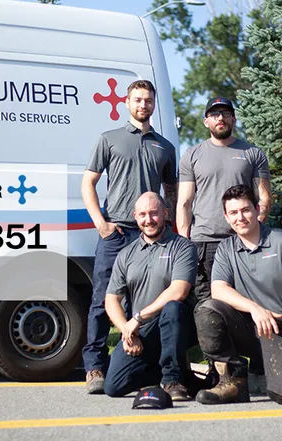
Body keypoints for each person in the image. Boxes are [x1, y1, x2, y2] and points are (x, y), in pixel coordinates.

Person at [194, 185, 282, 405]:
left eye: (245, 210)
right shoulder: (226, 248)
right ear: (226, 217)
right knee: (207, 311)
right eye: (233, 212)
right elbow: (219, 289)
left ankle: (279, 362)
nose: (240, 217)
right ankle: (234, 381)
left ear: (257, 209)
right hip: (250, 327)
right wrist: (254, 308)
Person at [81, 79, 179, 393]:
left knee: (153, 300)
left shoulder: (165, 147)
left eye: (148, 100)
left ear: (153, 104)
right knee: (102, 300)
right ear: (127, 102)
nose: (143, 105)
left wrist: (172, 222)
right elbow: (88, 182)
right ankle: (95, 367)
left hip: (151, 234)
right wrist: (101, 223)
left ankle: (150, 363)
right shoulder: (109, 139)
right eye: (137, 100)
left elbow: (171, 190)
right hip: (117, 232)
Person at [176, 97, 272, 391]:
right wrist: (185, 243)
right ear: (206, 120)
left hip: (242, 242)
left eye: (226, 113)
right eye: (215, 114)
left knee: (249, 300)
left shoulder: (252, 153)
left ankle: (261, 363)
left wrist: (254, 231)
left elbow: (264, 198)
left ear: (233, 119)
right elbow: (184, 202)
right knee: (209, 307)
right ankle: (219, 372)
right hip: (204, 243)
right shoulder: (192, 155)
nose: (221, 118)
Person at [103, 192, 199, 401]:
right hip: (141, 330)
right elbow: (111, 299)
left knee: (172, 307)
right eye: (143, 214)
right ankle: (166, 372)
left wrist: (137, 319)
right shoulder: (126, 254)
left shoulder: (183, 247)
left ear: (165, 214)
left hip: (176, 325)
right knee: (113, 386)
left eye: (154, 213)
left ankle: (173, 380)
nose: (149, 220)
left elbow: (179, 291)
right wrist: (127, 331)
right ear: (135, 216)